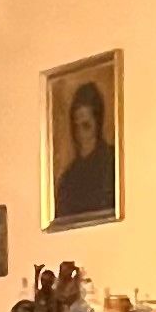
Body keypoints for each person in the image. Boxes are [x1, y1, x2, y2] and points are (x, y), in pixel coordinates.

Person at [52, 79, 116, 221]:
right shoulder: (68, 179)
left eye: (86, 126)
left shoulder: (113, 164)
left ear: (97, 124)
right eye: (76, 126)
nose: (80, 134)